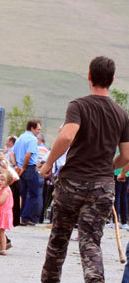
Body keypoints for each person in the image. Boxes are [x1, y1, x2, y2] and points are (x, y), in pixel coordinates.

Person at [40, 56, 129, 283]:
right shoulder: (121, 114)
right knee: (91, 242)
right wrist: (108, 168)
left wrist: (49, 163)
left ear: (89, 77)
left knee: (58, 241)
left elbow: (67, 135)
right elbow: (127, 156)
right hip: (102, 187)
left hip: (72, 183)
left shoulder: (78, 105)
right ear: (112, 80)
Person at [12, 120, 42, 226]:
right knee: (34, 194)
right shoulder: (32, 139)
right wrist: (24, 167)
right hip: (28, 167)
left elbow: (12, 152)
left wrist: (16, 165)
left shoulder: (20, 138)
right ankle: (25, 216)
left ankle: (21, 215)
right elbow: (28, 155)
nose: (39, 131)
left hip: (20, 168)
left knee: (23, 194)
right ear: (32, 128)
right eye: (38, 129)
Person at [112, 153, 129, 230]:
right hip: (127, 172)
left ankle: (115, 221)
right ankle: (124, 222)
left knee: (117, 196)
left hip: (117, 171)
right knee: (123, 196)